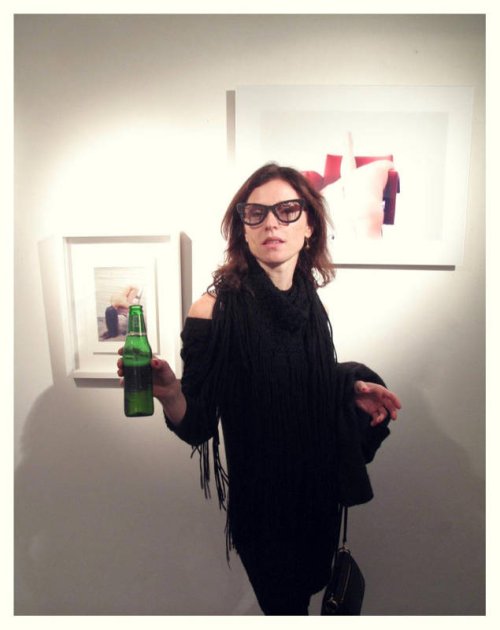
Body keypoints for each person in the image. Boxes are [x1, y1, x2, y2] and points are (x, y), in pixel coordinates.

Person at [117, 163, 401, 615]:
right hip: (264, 509)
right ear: (243, 229)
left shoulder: (310, 302)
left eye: (287, 210)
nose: (272, 222)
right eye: (257, 213)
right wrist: (170, 392)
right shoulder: (213, 310)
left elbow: (303, 378)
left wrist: (348, 386)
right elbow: (198, 424)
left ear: (309, 225)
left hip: (317, 498)